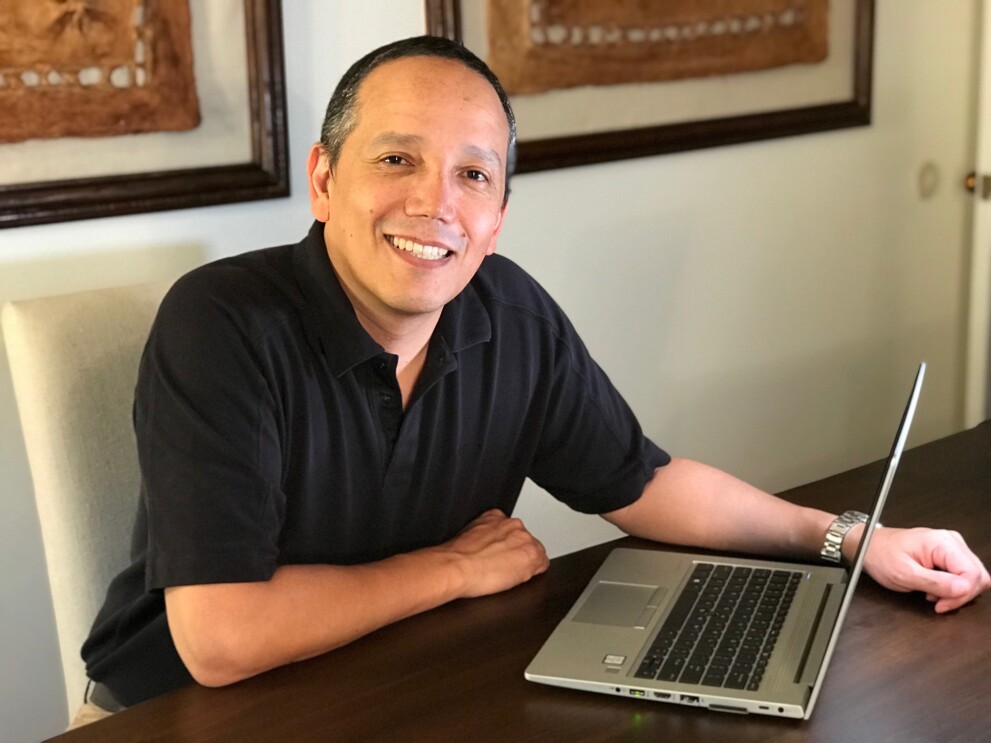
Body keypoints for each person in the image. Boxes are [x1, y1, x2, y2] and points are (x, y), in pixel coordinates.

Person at [75, 35, 990, 725]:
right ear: (322, 179)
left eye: (472, 174)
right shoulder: (222, 322)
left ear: (500, 213)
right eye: (396, 159)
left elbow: (643, 481)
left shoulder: (506, 313)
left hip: (404, 671)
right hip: (190, 708)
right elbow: (222, 637)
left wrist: (848, 538)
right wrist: (447, 570)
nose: (435, 203)